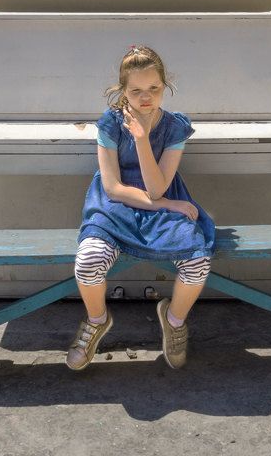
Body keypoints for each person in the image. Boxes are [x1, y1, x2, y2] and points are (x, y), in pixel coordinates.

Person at [67, 44, 215, 371]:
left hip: (160, 200)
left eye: (154, 89)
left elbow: (157, 185)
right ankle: (97, 320)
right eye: (136, 91)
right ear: (123, 91)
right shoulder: (109, 124)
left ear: (165, 86)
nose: (146, 97)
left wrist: (142, 138)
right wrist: (166, 203)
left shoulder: (175, 127)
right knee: (88, 261)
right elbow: (113, 188)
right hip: (116, 206)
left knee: (198, 262)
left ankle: (174, 320)